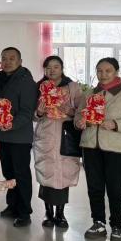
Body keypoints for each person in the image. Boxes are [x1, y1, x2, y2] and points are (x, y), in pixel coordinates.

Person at [75, 57, 121, 241]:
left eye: (108, 71)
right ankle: (98, 222)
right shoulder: (89, 94)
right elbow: (78, 116)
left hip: (116, 148)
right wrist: (80, 122)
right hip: (90, 147)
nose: (103, 74)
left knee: (116, 189)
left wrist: (115, 124)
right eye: (99, 71)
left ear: (116, 72)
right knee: (94, 187)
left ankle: (117, 226)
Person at [0, 47, 37, 228]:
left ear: (20, 61)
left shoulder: (26, 82)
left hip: (19, 136)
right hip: (3, 135)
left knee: (21, 174)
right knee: (9, 173)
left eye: (12, 58)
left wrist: (11, 124)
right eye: (4, 58)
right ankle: (12, 206)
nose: (7, 62)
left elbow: (27, 112)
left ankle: (24, 212)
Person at [32, 56, 82, 229]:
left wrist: (70, 110)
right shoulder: (39, 87)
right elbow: (33, 116)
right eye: (48, 67)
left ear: (62, 68)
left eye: (56, 67)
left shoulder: (72, 87)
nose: (52, 70)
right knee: (46, 173)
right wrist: (39, 112)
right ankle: (48, 212)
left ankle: (60, 213)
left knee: (64, 174)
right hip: (45, 134)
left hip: (66, 135)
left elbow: (82, 111)